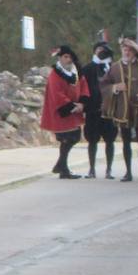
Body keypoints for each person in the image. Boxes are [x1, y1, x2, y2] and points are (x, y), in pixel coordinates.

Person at [101, 37, 138, 183]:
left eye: (129, 50)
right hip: (122, 109)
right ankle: (128, 172)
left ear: (135, 52)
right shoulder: (115, 67)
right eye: (125, 49)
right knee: (125, 142)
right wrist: (115, 88)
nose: (127, 52)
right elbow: (104, 85)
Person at [40, 44, 89, 179]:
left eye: (70, 57)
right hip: (62, 111)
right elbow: (57, 94)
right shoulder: (55, 74)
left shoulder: (76, 72)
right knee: (68, 137)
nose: (68, 60)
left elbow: (83, 85)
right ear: (60, 58)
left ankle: (61, 166)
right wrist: (71, 105)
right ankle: (62, 167)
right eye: (66, 57)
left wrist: (82, 102)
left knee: (74, 136)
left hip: (74, 110)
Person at [82, 41, 118, 178]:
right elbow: (83, 88)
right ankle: (91, 169)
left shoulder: (113, 68)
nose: (101, 52)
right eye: (98, 49)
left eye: (103, 50)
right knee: (92, 140)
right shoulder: (88, 68)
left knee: (110, 140)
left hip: (109, 110)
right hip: (93, 110)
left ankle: (109, 169)